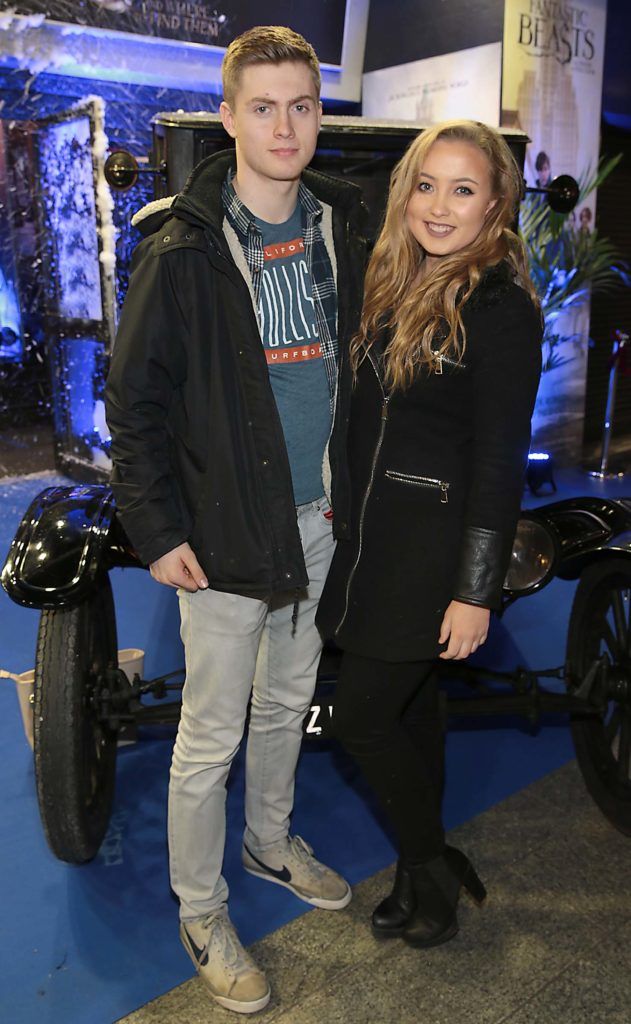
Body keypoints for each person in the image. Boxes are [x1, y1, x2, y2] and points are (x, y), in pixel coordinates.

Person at [105, 25, 367, 1015]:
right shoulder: (180, 251)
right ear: (229, 118)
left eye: (301, 104)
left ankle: (268, 842)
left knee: (283, 706)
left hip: (321, 522)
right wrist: (158, 525)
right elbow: (134, 407)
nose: (285, 124)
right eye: (263, 106)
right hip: (220, 537)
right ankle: (201, 907)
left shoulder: (345, 224)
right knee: (207, 734)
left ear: (318, 112)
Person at [317, 120, 543, 950]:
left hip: (432, 555)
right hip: (370, 543)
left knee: (361, 717)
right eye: (426, 185)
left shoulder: (500, 307)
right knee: (411, 712)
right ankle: (425, 886)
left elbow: (498, 462)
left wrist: (473, 591)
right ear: (404, 191)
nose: (439, 207)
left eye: (462, 189)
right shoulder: (393, 279)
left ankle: (429, 860)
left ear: (495, 203)